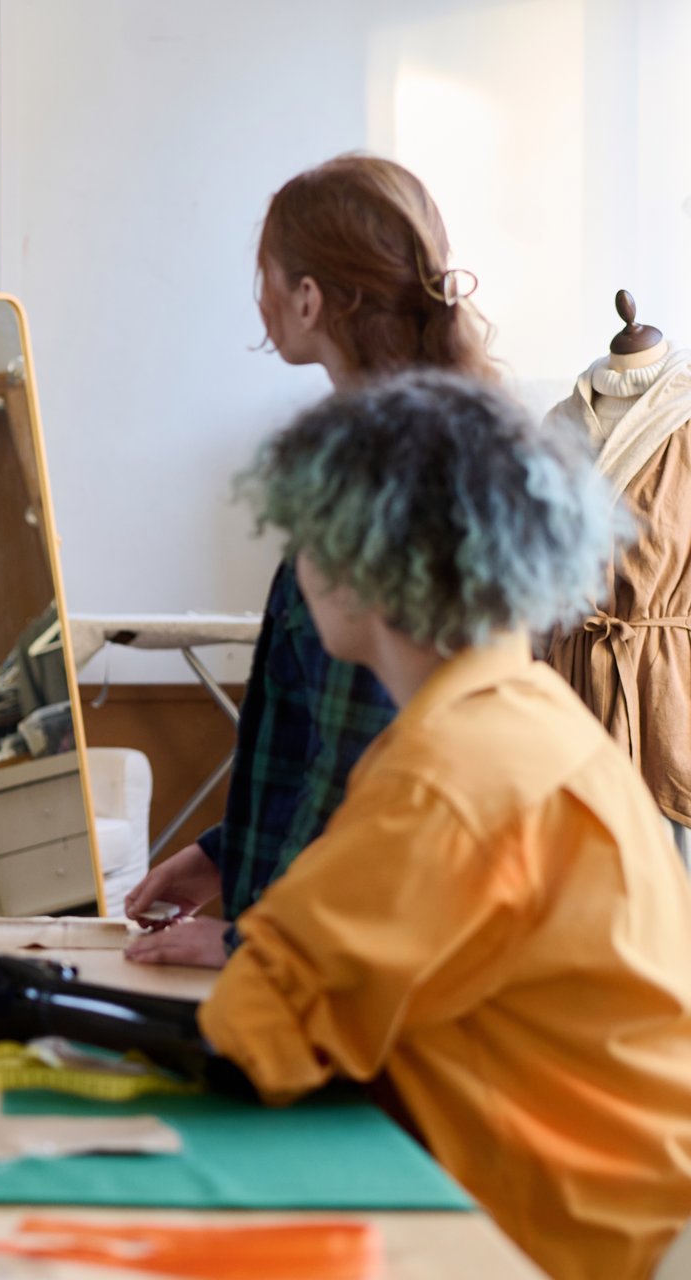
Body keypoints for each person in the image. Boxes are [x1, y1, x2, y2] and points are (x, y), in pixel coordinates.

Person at [200, 371, 691, 1280]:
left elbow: (251, 1031)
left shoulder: (447, 774)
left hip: (565, 1247)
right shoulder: (537, 720)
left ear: (365, 562)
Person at [125, 153, 497, 966]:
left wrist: (255, 943)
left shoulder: (382, 478)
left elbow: (371, 753)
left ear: (306, 297)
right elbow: (321, 724)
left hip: (338, 972)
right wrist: (228, 854)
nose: (256, 296)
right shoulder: (422, 446)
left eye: (266, 272)